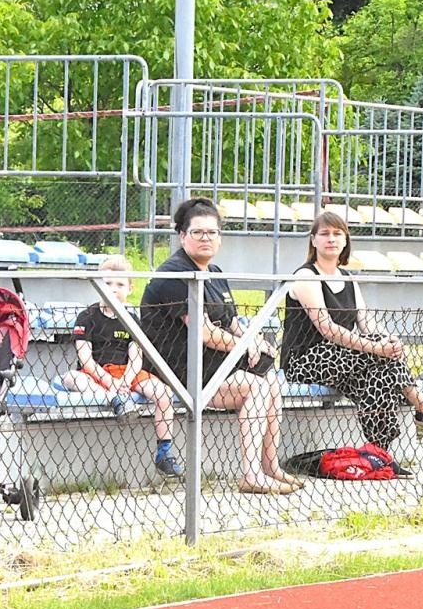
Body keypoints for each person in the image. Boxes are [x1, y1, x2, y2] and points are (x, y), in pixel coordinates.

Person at [139, 197, 300, 494]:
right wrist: (243, 346)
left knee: (272, 383)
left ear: (220, 237)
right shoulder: (176, 274)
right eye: (198, 232)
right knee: (256, 387)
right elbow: (204, 332)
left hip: (212, 365)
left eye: (212, 232)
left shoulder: (214, 273)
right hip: (177, 370)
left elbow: (232, 321)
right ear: (182, 236)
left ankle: (271, 467)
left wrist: (255, 341)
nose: (206, 238)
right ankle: (251, 475)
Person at [284, 211, 423, 455]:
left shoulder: (348, 278)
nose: (331, 239)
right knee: (380, 358)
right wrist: (378, 348)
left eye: (337, 234)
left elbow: (366, 322)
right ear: (313, 240)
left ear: (346, 240)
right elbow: (328, 329)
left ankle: (379, 454)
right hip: (306, 361)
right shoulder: (306, 276)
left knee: (379, 377)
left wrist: (388, 340)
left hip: (344, 360)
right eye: (325, 234)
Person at [62, 255, 183, 478]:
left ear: (130, 288)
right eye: (107, 283)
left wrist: (125, 381)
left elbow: (136, 357)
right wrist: (110, 383)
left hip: (127, 373)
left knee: (163, 393)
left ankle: (165, 452)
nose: (113, 289)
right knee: (71, 378)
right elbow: (85, 359)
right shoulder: (86, 317)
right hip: (96, 373)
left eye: (120, 284)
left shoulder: (131, 319)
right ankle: (114, 399)